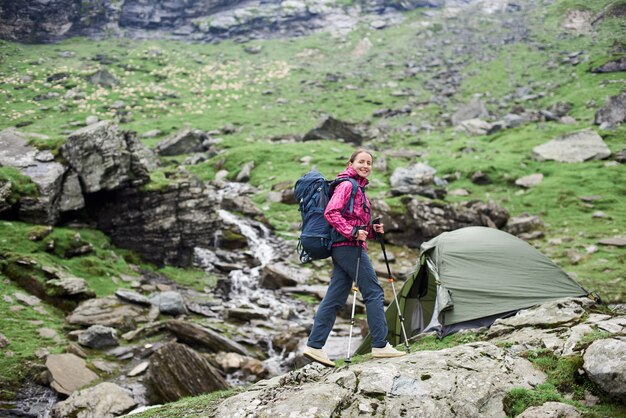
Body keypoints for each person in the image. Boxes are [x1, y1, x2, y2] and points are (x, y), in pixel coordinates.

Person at [303, 150, 406, 367]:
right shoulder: (348, 185)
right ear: (351, 163)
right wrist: (352, 232)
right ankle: (380, 345)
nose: (365, 165)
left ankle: (314, 345)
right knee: (374, 292)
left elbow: (351, 218)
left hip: (346, 247)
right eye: (361, 161)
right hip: (349, 247)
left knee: (335, 297)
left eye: (369, 162)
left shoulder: (359, 188)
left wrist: (371, 228)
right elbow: (331, 213)